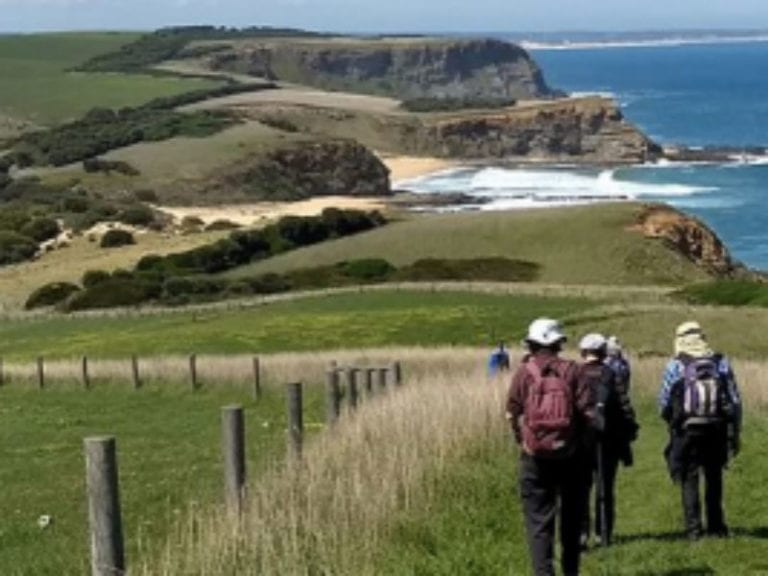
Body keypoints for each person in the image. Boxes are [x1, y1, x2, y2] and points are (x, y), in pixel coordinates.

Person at [506, 318, 596, 576]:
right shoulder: (573, 371)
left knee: (539, 525)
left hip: (534, 458)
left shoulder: (524, 373)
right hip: (571, 456)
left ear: (531, 344)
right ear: (558, 343)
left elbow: (512, 412)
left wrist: (522, 440)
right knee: (571, 523)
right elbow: (588, 415)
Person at [658, 321, 742, 540]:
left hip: (687, 430)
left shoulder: (675, 365)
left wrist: (673, 423)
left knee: (689, 477)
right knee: (714, 477)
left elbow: (664, 402)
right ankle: (716, 527)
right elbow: (734, 400)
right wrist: (735, 432)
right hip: (716, 427)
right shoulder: (721, 362)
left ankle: (694, 530)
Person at [578, 333, 639, 549]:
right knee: (605, 487)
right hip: (609, 439)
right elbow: (624, 406)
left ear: (583, 352)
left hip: (580, 441)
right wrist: (631, 431)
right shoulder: (611, 374)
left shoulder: (575, 374)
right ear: (603, 352)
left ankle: (581, 533)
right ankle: (603, 535)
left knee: (580, 488)